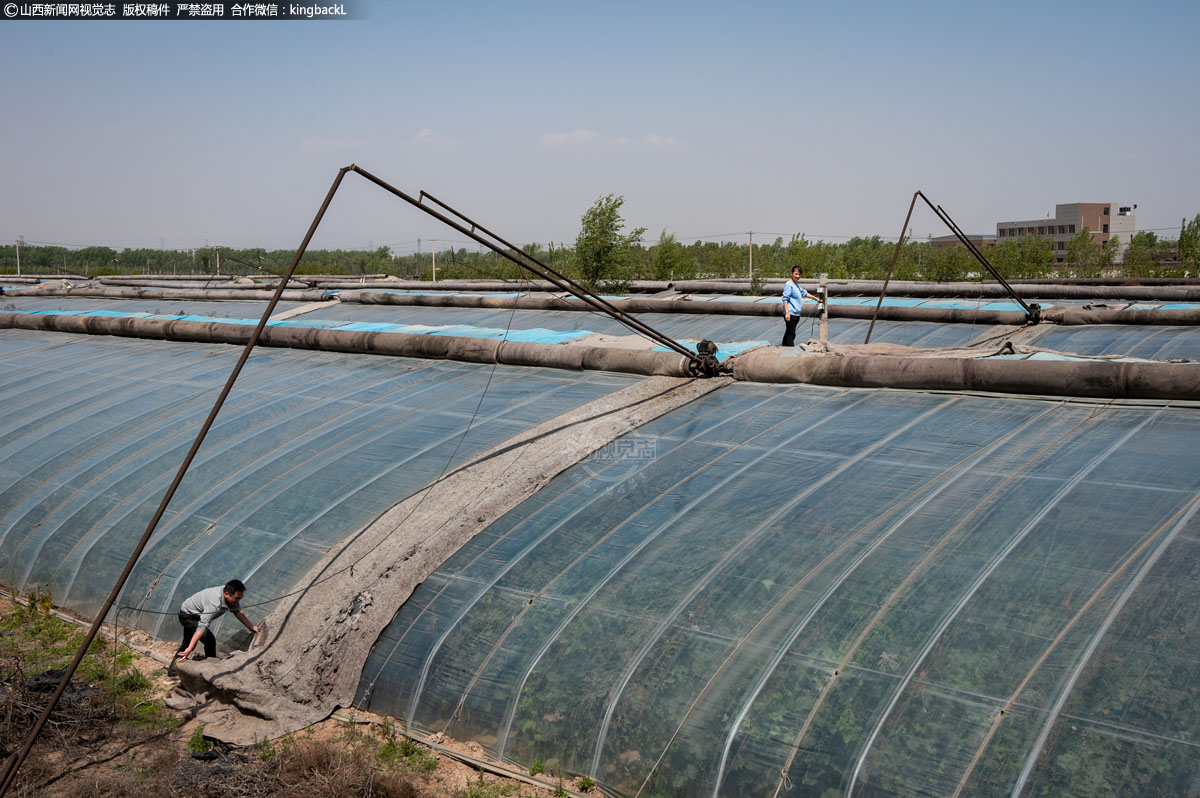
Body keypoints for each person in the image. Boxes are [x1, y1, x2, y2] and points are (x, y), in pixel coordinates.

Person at [171, 579, 258, 674]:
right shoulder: (215, 604)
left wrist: (251, 627)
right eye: (237, 598)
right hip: (188, 615)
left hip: (195, 613)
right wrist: (190, 649)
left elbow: (237, 611)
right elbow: (202, 627)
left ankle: (173, 671)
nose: (238, 601)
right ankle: (211, 669)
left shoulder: (230, 597)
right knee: (209, 640)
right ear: (226, 594)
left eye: (240, 598)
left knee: (188, 643)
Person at [781, 265, 820, 346]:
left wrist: (815, 298)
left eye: (799, 274)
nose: (797, 276)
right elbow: (785, 299)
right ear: (791, 274)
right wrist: (787, 312)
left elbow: (804, 293)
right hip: (791, 312)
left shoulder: (796, 285)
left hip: (796, 313)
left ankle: (784, 347)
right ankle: (789, 349)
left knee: (789, 331)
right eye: (796, 274)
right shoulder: (789, 284)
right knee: (791, 334)